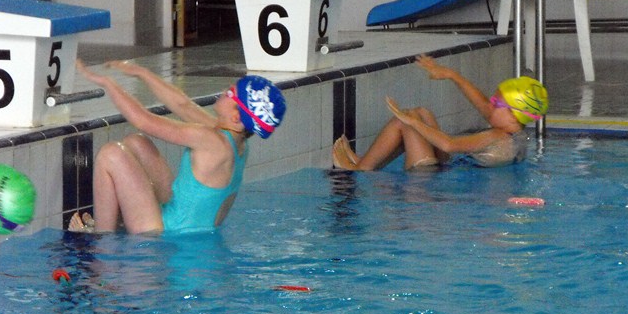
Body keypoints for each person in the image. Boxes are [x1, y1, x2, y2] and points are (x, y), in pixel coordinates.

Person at [69, 59, 286, 235]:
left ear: (236, 117)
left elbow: (143, 120)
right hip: (184, 230)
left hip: (166, 235)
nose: (224, 90)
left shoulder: (211, 142)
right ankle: (115, 222)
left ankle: (102, 238)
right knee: (137, 143)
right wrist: (142, 73)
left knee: (111, 154)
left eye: (230, 92)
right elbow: (183, 106)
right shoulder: (234, 142)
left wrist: (106, 83)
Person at [332, 54, 548, 171]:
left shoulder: (496, 137)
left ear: (513, 114)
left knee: (407, 122)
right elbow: (482, 105)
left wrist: (412, 122)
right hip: (446, 170)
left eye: (496, 102)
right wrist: (452, 75)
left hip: (427, 183)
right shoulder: (515, 134)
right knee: (422, 113)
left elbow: (448, 145)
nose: (489, 104)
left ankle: (360, 170)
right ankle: (366, 162)